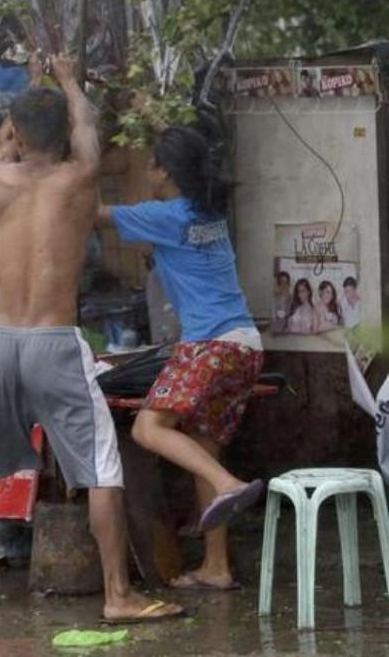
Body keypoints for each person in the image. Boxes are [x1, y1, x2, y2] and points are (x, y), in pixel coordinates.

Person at [0, 55, 183, 624]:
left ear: (15, 131)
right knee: (102, 468)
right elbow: (84, 129)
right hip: (55, 342)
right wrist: (69, 77)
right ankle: (117, 596)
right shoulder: (79, 178)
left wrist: (33, 80)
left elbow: (14, 131)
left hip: (1, 342)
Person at [97, 125, 264, 592]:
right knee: (203, 444)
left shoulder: (166, 215)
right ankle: (216, 566)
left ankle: (227, 483)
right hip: (245, 344)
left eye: (150, 162)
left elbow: (90, 213)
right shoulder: (209, 211)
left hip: (209, 344)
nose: (146, 169)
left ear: (165, 170)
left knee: (148, 429)